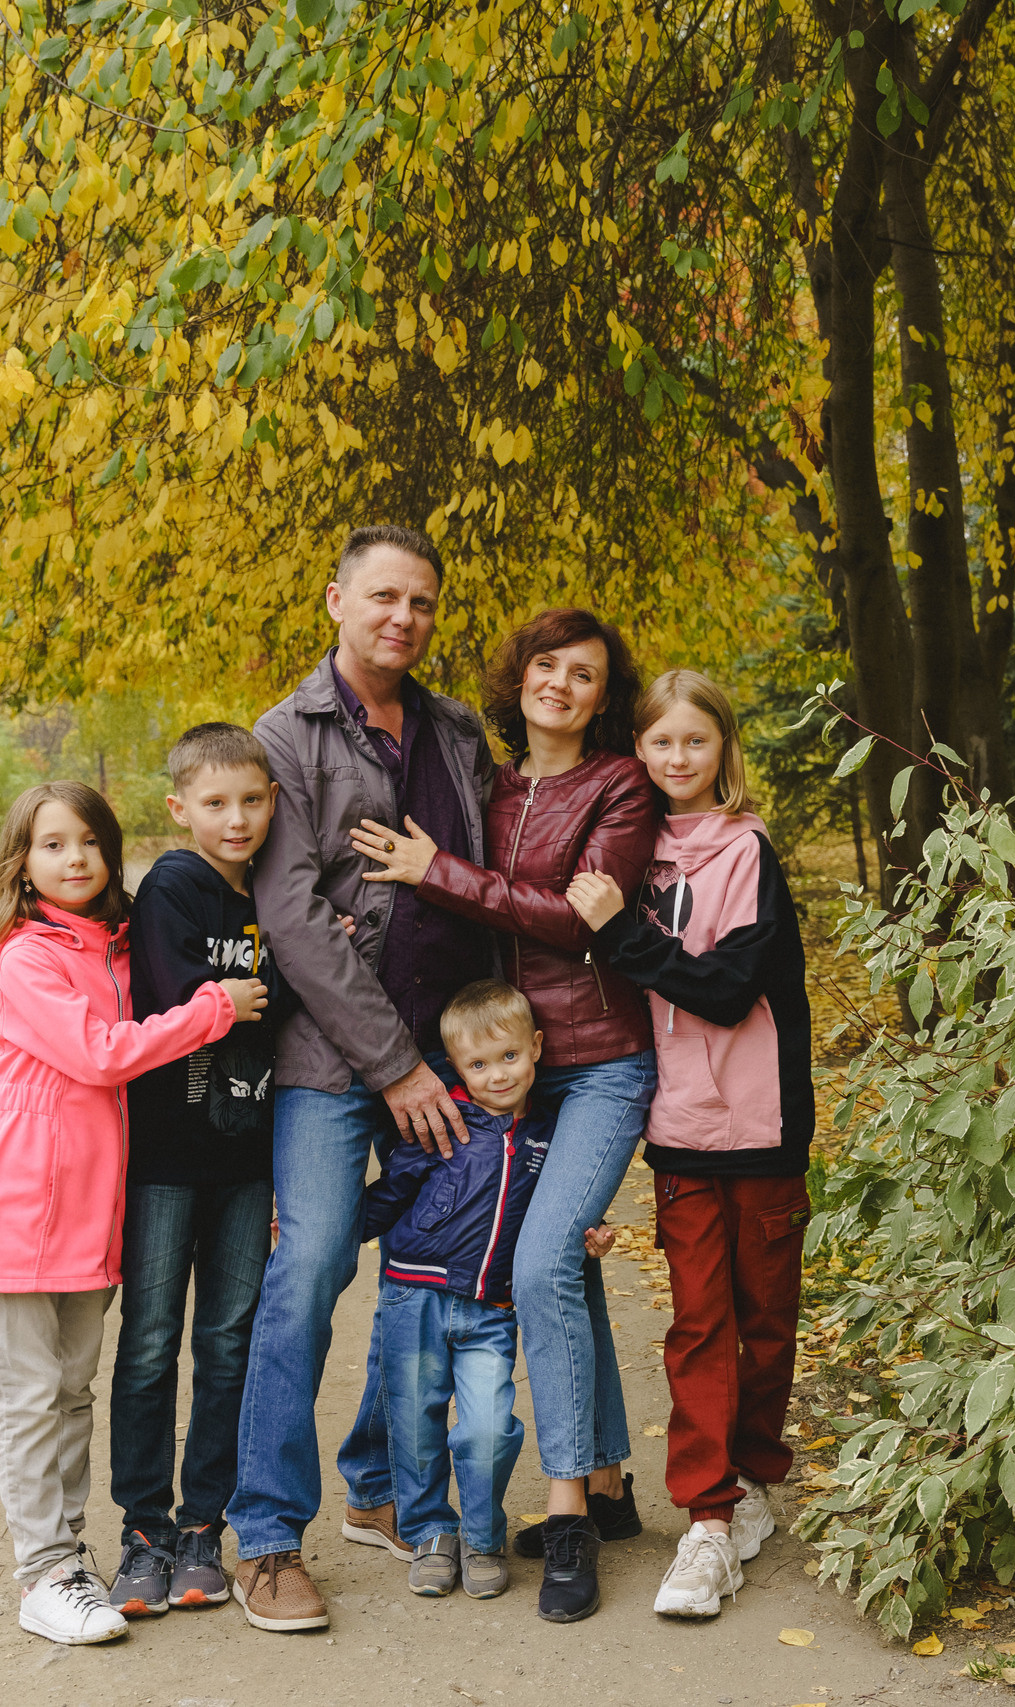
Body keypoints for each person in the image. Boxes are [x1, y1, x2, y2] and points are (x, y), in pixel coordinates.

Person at [350, 606, 661, 1623]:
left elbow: (580, 921)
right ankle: (609, 1487)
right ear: (517, 676)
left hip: (600, 1059)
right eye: (545, 666)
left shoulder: (618, 785)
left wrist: (438, 870)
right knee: (562, 1262)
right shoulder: (489, 785)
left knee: (533, 1264)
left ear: (603, 697)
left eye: (584, 674)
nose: (560, 684)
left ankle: (565, 1511)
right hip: (506, 1066)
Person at [226, 523, 498, 1635]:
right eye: (383, 597)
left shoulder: (458, 730)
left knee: (431, 1269)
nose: (403, 618)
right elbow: (289, 912)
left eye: (422, 603)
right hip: (337, 1064)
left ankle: (380, 1488)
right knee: (314, 1268)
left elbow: (484, 878)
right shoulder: (285, 736)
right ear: (336, 599)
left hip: (454, 1049)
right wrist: (391, 1068)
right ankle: (267, 1538)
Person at [0, 781, 269, 1647]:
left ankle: (69, 1556)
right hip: (21, 1209)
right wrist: (213, 1008)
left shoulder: (118, 947)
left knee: (73, 1393)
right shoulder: (28, 956)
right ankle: (43, 1574)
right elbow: (99, 1054)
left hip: (92, 1214)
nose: (75, 858)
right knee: (27, 1399)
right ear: (22, 863)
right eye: (52, 845)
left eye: (88, 841)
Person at [564, 670, 815, 1621]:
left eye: (694, 744)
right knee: (700, 1322)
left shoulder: (748, 849)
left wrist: (620, 934)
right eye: (659, 744)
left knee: (765, 1321)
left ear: (723, 751)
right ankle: (707, 1517)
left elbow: (724, 987)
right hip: (678, 1127)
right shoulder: (630, 851)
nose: (676, 760)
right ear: (638, 751)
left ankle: (752, 1477)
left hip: (760, 1126)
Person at [105, 725, 295, 1619]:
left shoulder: (276, 891)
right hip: (166, 1161)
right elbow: (177, 998)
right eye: (216, 803)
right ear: (180, 809)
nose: (237, 818)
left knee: (227, 1342)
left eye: (252, 800)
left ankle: (202, 1529)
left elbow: (299, 995)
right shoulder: (175, 887)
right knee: (149, 1343)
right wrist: (242, 1000)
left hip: (247, 1155)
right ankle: (142, 1530)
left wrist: (260, 995)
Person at [354, 980, 624, 1601]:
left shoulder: (551, 1136)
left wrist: (593, 1236)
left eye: (509, 1057)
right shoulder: (439, 1122)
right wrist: (328, 1223)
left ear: (536, 1047)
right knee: (415, 1423)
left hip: (490, 1310)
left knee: (488, 1428)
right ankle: (429, 1533)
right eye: (478, 1064)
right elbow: (388, 1195)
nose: (497, 1076)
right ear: (457, 1068)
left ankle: (482, 1536)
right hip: (413, 1297)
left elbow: (564, 1211)